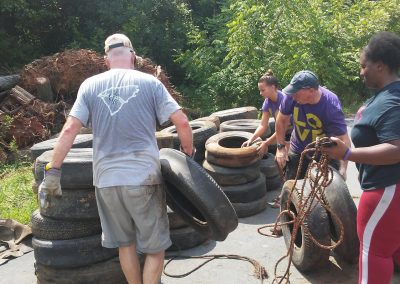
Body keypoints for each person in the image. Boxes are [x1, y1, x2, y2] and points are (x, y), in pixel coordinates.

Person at [38, 33, 194, 284]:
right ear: (133, 56)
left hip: (106, 181)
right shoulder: (150, 83)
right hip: (144, 178)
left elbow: (69, 130)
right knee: (155, 249)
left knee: (126, 244)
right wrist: (189, 159)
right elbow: (183, 122)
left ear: (106, 60)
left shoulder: (89, 86)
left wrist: (53, 172)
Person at [323, 31, 400, 284]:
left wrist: (346, 153)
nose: (361, 72)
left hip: (385, 188)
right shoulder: (386, 96)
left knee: (373, 252)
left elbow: (396, 149)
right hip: (390, 188)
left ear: (380, 65)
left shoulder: (392, 102)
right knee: (391, 246)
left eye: (363, 66)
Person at [275, 70, 351, 181]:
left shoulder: (331, 105)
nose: (293, 96)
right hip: (298, 147)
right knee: (292, 187)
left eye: (296, 93)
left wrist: (343, 168)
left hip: (326, 150)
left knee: (331, 188)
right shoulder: (291, 96)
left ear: (311, 91)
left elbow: (343, 139)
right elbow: (281, 121)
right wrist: (280, 148)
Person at [242, 69, 290, 153]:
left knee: (284, 159)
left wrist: (266, 143)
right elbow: (263, 125)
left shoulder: (285, 100)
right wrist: (251, 139)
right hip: (281, 134)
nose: (260, 93)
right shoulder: (267, 102)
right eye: (260, 90)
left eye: (263, 90)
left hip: (294, 134)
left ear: (273, 87)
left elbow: (284, 128)